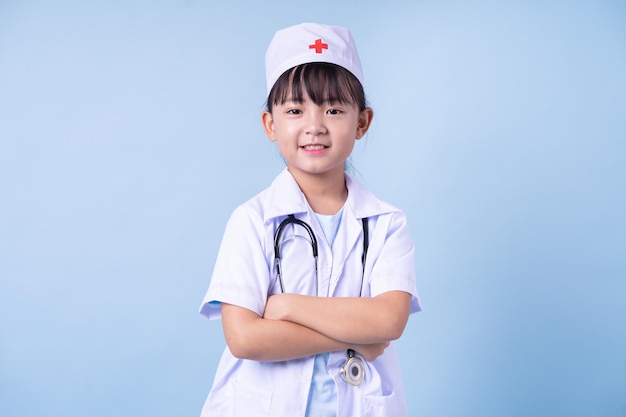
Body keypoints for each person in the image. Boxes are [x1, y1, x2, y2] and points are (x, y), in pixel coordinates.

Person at [198, 22, 421, 417]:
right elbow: (245, 338)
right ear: (271, 124)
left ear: (362, 122)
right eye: (295, 110)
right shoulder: (252, 221)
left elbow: (388, 319)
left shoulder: (386, 223)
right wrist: (353, 338)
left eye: (334, 109)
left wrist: (284, 306)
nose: (314, 126)